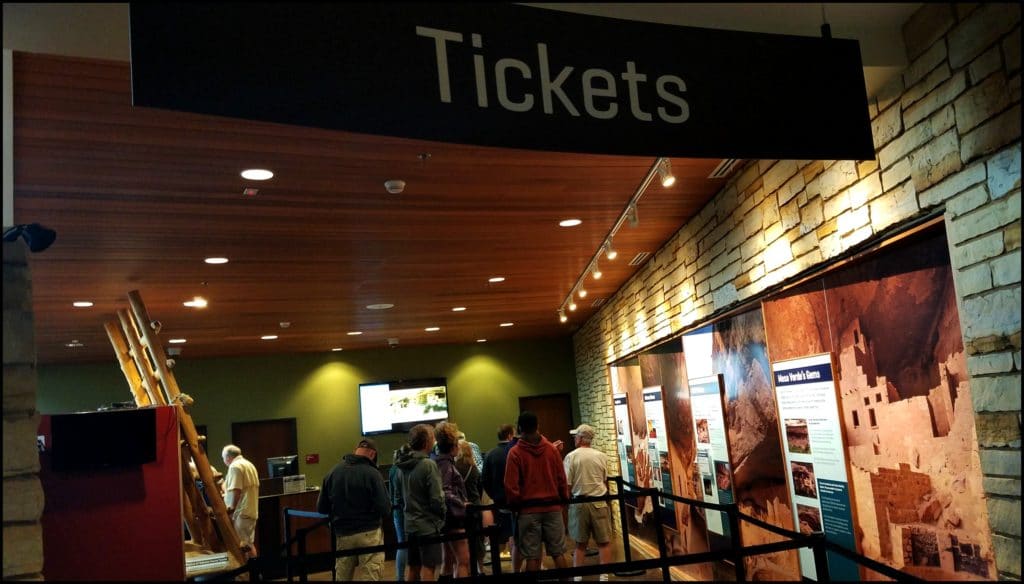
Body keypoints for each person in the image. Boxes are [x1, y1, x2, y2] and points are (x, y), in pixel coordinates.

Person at [503, 411, 570, 574]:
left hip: (528, 511)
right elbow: (561, 477)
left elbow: (510, 485)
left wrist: (517, 506)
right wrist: (563, 500)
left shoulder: (515, 453)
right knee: (558, 553)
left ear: (519, 428)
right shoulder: (551, 450)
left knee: (532, 557)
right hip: (553, 508)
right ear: (537, 426)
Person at [317, 438, 390, 581]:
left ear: (355, 451)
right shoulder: (373, 474)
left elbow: (321, 508)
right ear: (372, 455)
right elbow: (385, 508)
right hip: (369, 533)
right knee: (371, 576)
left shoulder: (333, 472)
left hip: (343, 534)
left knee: (342, 576)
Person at [395, 424, 445, 581]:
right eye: (432, 438)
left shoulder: (399, 467)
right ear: (426, 442)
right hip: (428, 526)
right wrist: (442, 514)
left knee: (414, 567)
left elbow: (399, 497)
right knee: (429, 568)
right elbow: (437, 499)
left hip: (410, 526)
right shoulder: (428, 464)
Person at [563, 424, 613, 581]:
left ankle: (577, 576)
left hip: (579, 503)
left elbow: (567, 484)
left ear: (580, 438)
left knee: (580, 543)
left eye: (576, 436)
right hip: (599, 502)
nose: (574, 438)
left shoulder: (571, 457)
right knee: (603, 542)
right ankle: (604, 575)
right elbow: (605, 481)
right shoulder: (602, 456)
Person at [432, 422, 471, 578]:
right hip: (453, 519)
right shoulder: (447, 465)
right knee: (463, 560)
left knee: (447, 560)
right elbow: (446, 492)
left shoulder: (437, 462)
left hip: (444, 518)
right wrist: (463, 504)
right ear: (454, 446)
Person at [481, 424, 521, 571]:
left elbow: (484, 480)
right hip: (518, 501)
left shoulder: (491, 454)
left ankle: (496, 569)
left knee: (498, 538)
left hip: (499, 502)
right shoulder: (516, 451)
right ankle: (517, 568)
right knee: (516, 537)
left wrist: (494, 495)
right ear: (510, 435)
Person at [221, 444, 260, 558]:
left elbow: (236, 490)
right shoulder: (248, 464)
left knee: (243, 546)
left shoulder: (235, 467)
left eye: (223, 458)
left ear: (228, 457)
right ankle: (254, 573)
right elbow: (232, 487)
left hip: (240, 513)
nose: (223, 461)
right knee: (248, 544)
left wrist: (231, 509)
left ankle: (247, 575)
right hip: (250, 511)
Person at [455, 440, 486, 574]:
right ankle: (481, 568)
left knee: (464, 541)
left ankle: (466, 570)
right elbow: (479, 487)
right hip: (476, 505)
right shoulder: (473, 467)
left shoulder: (455, 467)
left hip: (462, 506)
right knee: (479, 539)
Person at [389, 445, 411, 581]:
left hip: (396, 511)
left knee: (401, 544)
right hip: (408, 511)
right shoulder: (406, 470)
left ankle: (400, 577)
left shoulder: (392, 470)